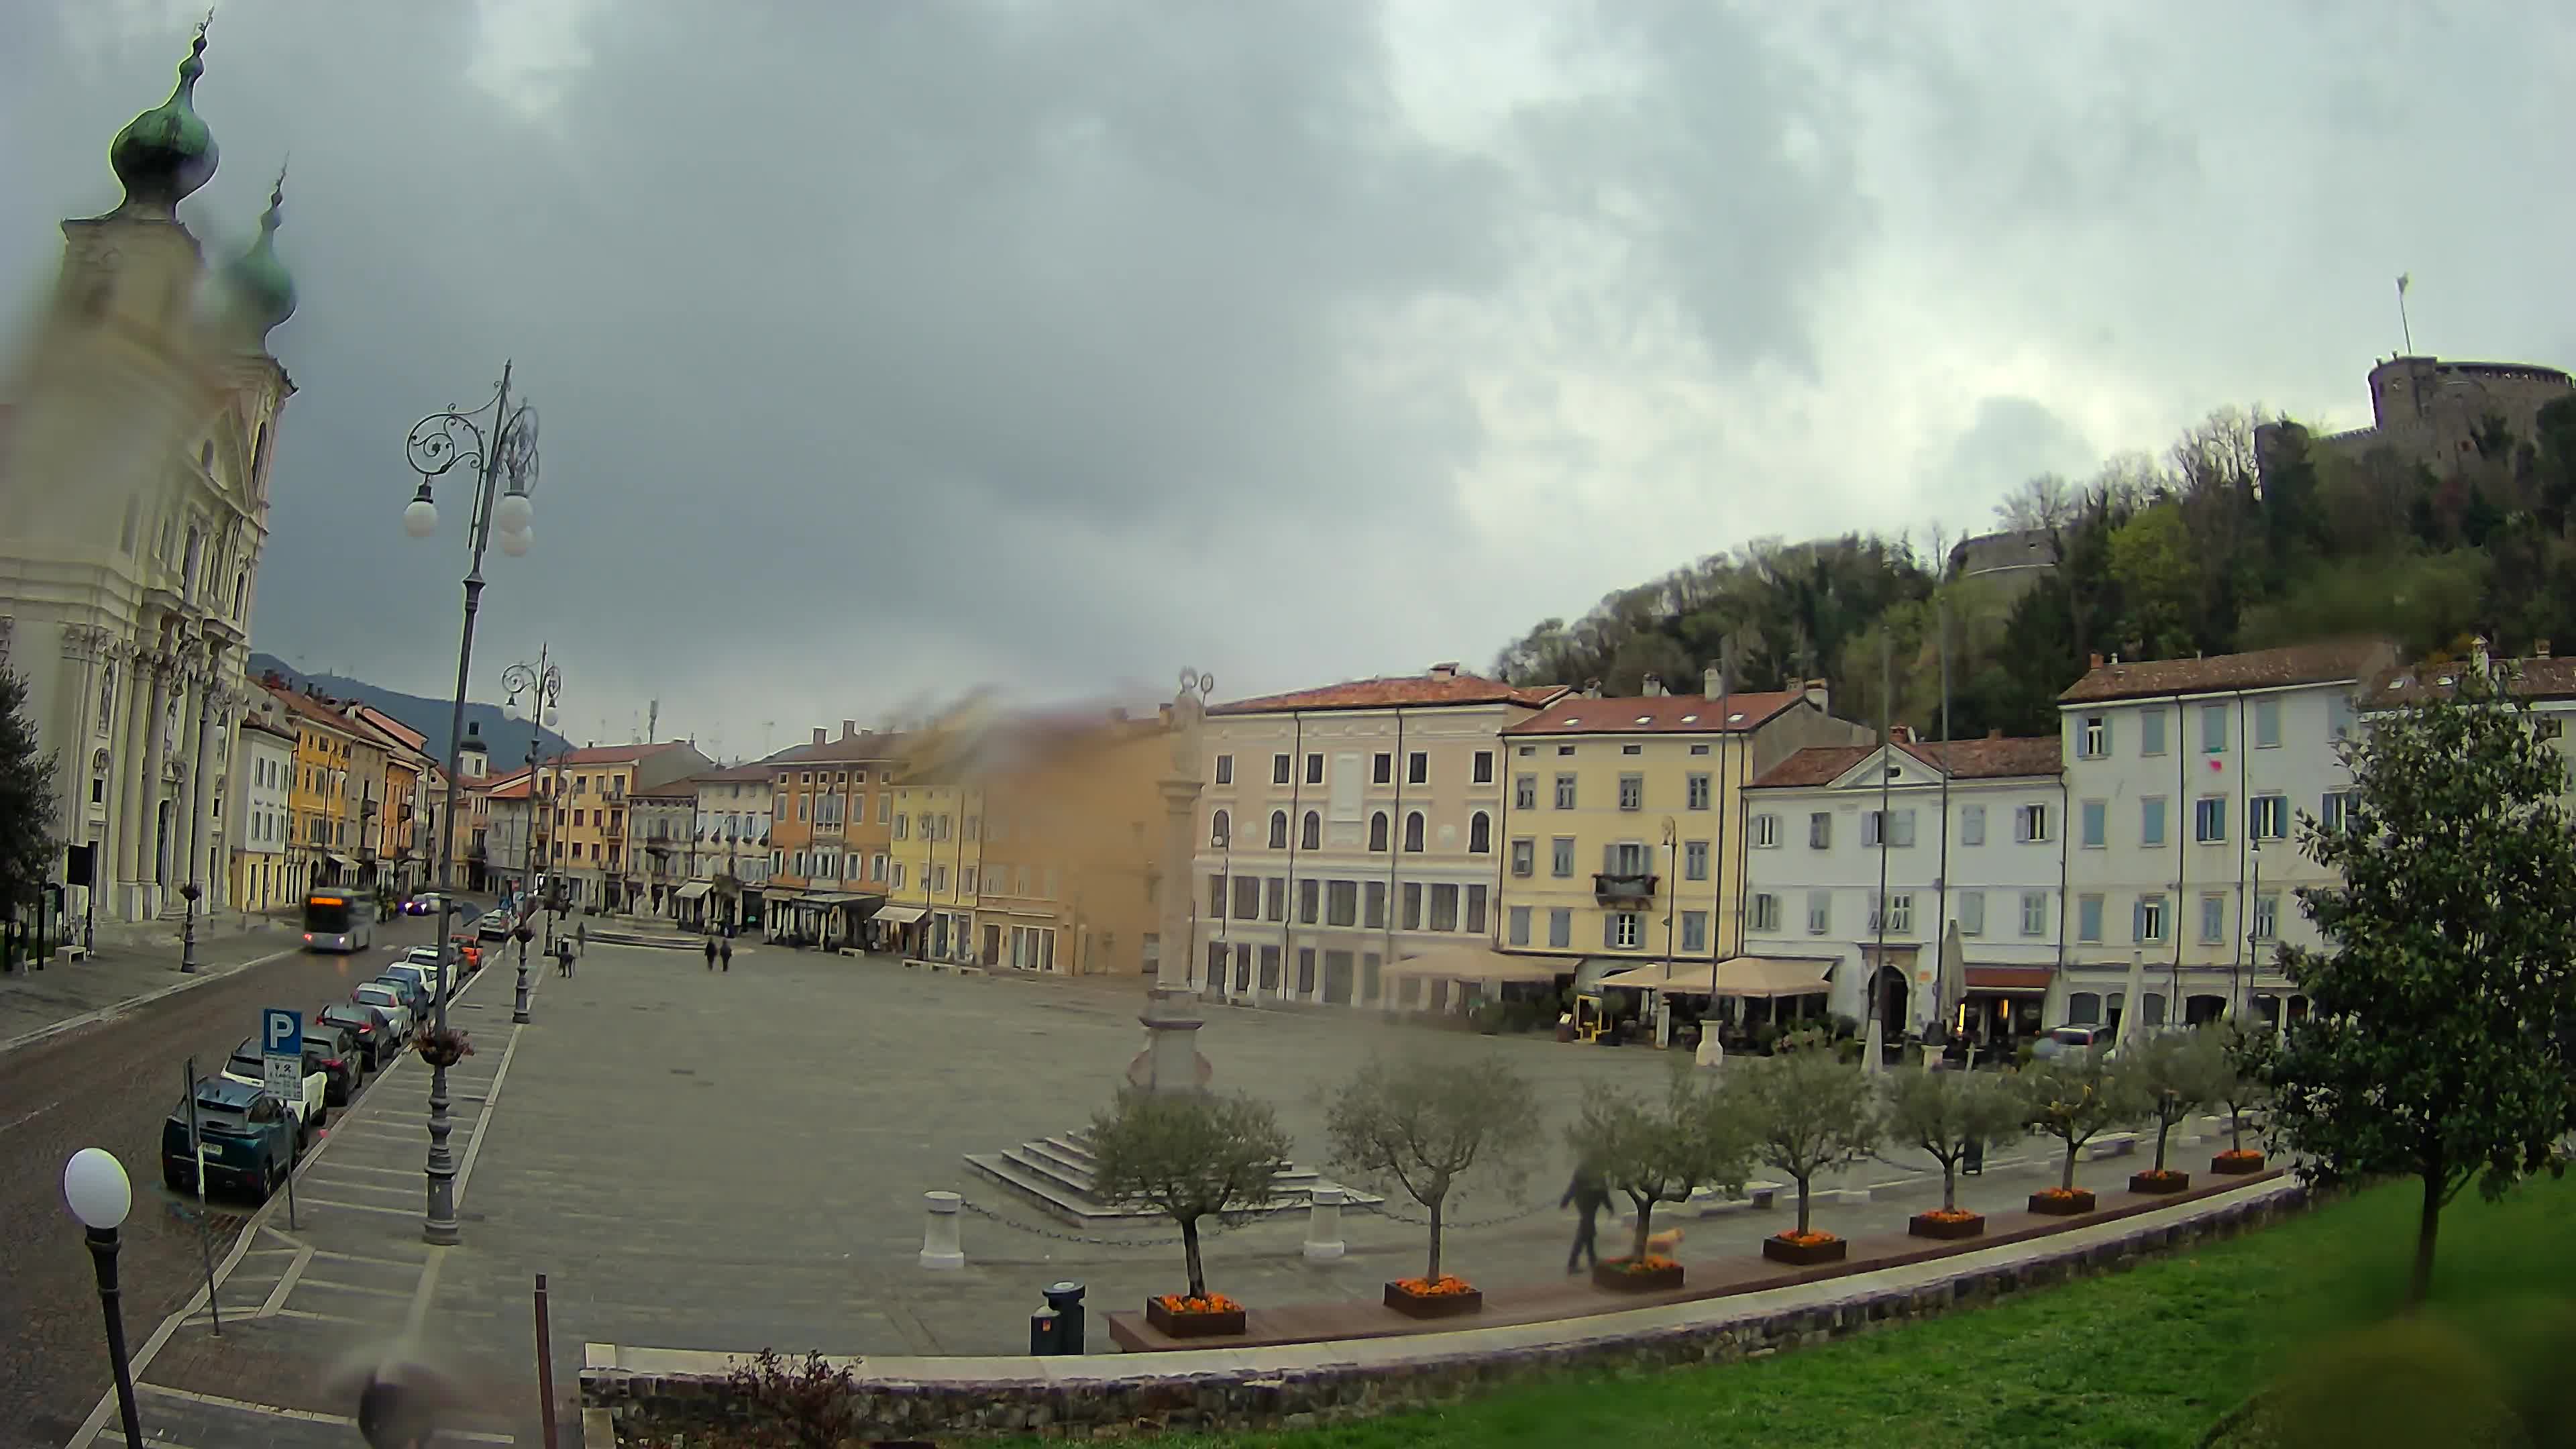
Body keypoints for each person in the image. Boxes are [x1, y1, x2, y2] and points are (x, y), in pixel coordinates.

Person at [1562, 1158, 1614, 1273]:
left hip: (1583, 1203)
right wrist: (1609, 1207)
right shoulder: (1595, 1171)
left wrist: (1565, 1200)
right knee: (1584, 1233)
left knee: (1588, 1232)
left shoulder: (1583, 1168)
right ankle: (1572, 1264)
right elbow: (1603, 1192)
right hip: (1589, 1205)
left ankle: (1592, 1260)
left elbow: (1573, 1186)